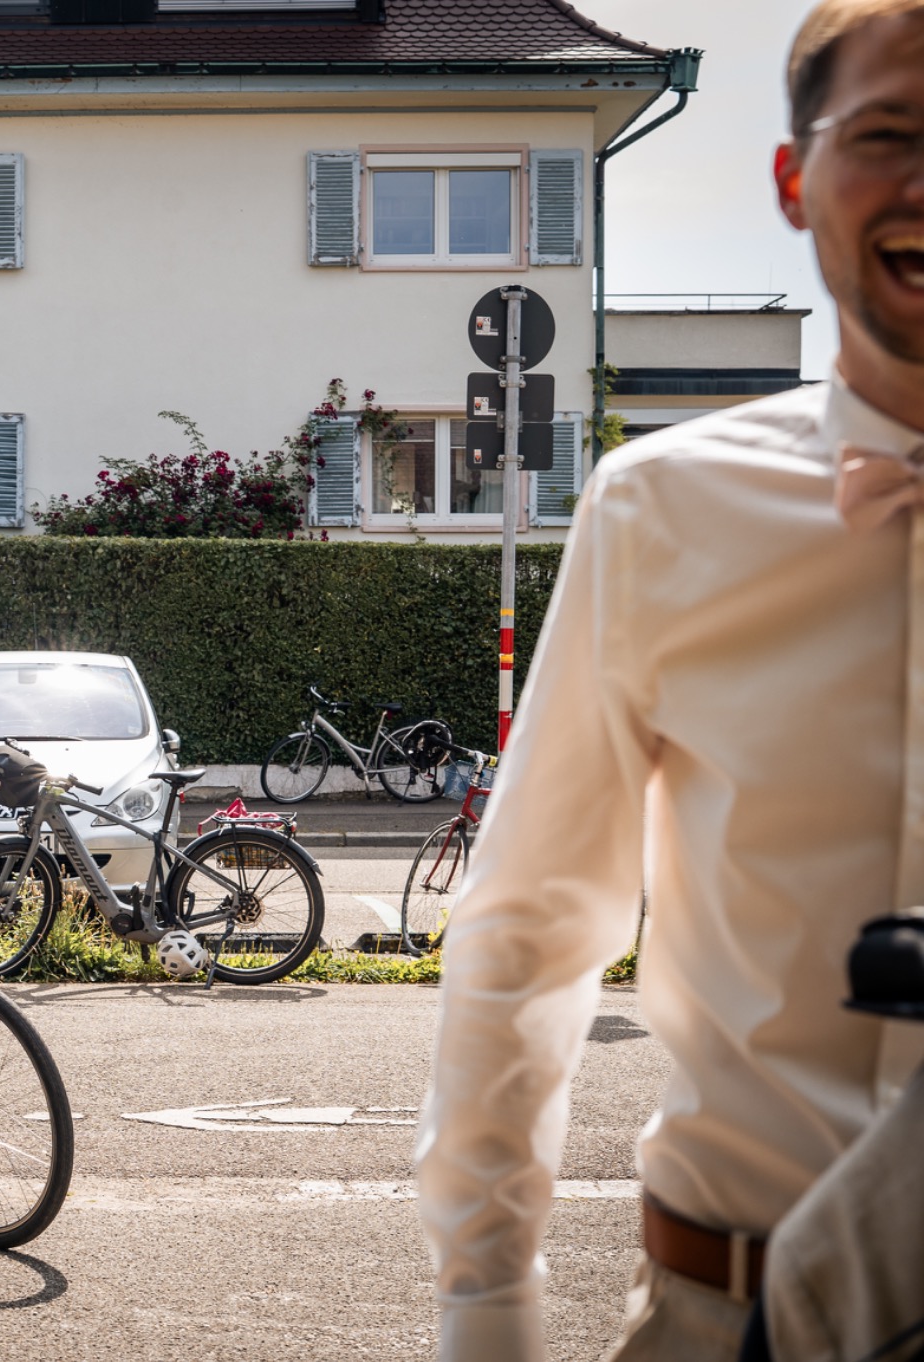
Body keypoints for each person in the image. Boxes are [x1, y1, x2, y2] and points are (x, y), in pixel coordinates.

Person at [414, 2, 924, 1358]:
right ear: (794, 179)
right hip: (724, 1307)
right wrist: (487, 1311)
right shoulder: (662, 510)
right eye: (890, 133)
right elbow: (528, 931)